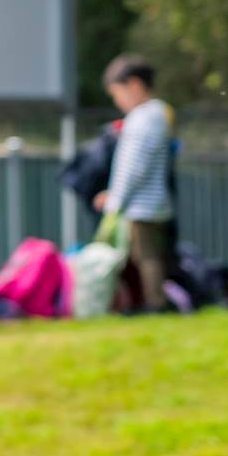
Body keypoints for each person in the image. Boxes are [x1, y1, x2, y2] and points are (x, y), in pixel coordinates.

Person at [95, 55, 175, 312]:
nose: (118, 101)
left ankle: (156, 304)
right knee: (144, 256)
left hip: (142, 206)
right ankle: (141, 301)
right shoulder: (158, 115)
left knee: (147, 257)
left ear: (135, 85)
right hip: (151, 203)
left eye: (118, 93)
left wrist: (116, 200)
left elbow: (132, 167)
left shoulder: (144, 118)